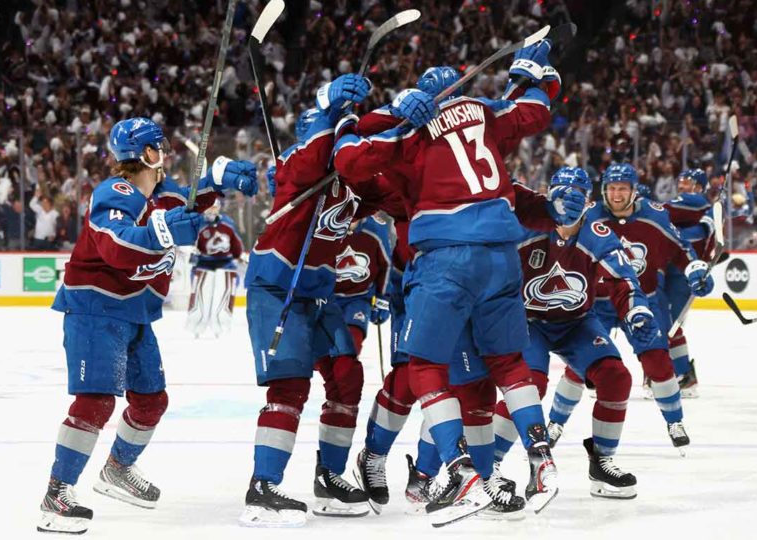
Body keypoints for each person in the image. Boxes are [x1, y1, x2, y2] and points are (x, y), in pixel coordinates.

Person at [334, 41, 573, 522]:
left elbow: (351, 158)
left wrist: (369, 116)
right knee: (480, 369)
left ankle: (467, 475)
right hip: (491, 260)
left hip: (442, 265)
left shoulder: (410, 134)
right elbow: (533, 110)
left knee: (445, 377)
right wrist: (535, 71)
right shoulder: (486, 113)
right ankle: (535, 460)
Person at [37, 117, 257, 535]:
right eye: (159, 148)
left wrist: (222, 173)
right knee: (96, 402)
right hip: (95, 310)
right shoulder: (114, 192)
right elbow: (118, 245)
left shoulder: (162, 193)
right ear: (144, 154)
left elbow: (191, 196)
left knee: (151, 401)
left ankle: (117, 469)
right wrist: (163, 230)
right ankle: (56, 492)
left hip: (134, 312)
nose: (166, 155)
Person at [241, 74, 374, 528]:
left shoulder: (350, 180)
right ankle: (263, 487)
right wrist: (329, 103)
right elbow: (315, 150)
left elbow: (392, 179)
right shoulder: (298, 166)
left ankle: (329, 478)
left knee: (347, 375)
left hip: (318, 295)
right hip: (277, 289)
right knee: (291, 387)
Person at [493, 167, 654, 500]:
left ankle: (603, 462)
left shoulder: (597, 233)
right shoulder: (525, 228)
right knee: (529, 386)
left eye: (576, 197)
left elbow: (623, 279)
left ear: (589, 202)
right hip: (528, 322)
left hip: (577, 321)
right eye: (560, 195)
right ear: (547, 195)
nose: (567, 204)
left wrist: (636, 307)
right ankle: (488, 465)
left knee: (615, 377)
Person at [546, 163, 714, 454]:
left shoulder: (655, 216)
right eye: (612, 188)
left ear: (634, 191)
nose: (617, 194)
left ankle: (675, 422)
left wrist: (696, 270)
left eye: (623, 187)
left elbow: (683, 248)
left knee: (657, 361)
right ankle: (555, 423)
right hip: (597, 303)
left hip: (641, 300)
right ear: (603, 190)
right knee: (578, 367)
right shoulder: (588, 215)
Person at [655, 168, 714, 397]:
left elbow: (661, 215)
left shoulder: (694, 200)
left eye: (687, 181)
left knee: (668, 325)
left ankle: (681, 375)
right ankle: (674, 374)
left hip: (684, 273)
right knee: (667, 323)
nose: (681, 186)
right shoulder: (702, 208)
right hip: (675, 272)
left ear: (699, 186)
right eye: (680, 181)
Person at [333, 214, 392, 356]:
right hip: (326, 297)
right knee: (323, 351)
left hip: (359, 298)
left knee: (350, 346)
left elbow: (387, 265)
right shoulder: (323, 225)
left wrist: (383, 297)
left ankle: (345, 375)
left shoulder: (375, 229)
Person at [186, 197, 245, 338]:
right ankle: (196, 326)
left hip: (225, 263)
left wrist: (238, 256)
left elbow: (236, 243)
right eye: (209, 208)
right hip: (203, 263)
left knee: (224, 295)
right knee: (200, 296)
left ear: (218, 208)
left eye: (214, 208)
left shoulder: (227, 223)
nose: (211, 211)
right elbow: (191, 243)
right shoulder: (198, 223)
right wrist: (192, 252)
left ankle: (222, 326)